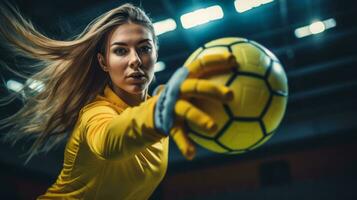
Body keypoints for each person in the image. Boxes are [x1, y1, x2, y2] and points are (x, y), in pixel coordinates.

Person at [0, 2, 236, 199]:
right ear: (104, 62)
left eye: (144, 48)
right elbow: (110, 142)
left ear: (156, 54)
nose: (135, 60)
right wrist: (157, 112)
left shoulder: (159, 109)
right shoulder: (96, 113)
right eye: (121, 51)